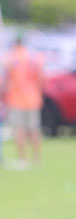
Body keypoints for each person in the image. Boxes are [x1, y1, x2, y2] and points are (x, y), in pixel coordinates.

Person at [4, 35, 44, 168]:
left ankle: (23, 159)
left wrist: (4, 95)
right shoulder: (34, 57)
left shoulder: (11, 57)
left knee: (19, 130)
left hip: (17, 98)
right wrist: (39, 93)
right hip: (33, 97)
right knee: (34, 130)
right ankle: (37, 159)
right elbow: (42, 78)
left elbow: (6, 79)